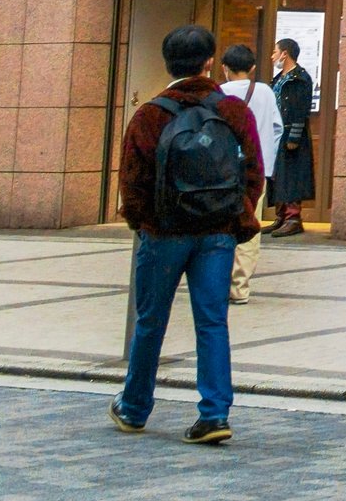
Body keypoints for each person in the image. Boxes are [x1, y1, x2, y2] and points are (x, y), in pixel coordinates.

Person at [110, 24, 264, 445]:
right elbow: (253, 173)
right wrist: (235, 215)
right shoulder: (233, 111)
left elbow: (133, 181)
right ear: (210, 62)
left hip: (164, 233)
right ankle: (214, 415)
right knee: (212, 321)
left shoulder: (150, 114)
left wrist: (144, 223)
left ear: (167, 63)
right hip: (217, 233)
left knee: (150, 321)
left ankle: (134, 408)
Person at [217, 44, 281, 306]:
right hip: (257, 170)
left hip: (223, 170)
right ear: (253, 68)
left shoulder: (219, 93)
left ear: (224, 68)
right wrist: (269, 161)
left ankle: (217, 283)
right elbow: (278, 128)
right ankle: (240, 286)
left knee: (221, 224)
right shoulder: (265, 92)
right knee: (250, 225)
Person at [266, 38, 315, 237]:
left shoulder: (300, 78)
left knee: (292, 175)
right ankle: (281, 215)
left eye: (275, 51)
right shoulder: (278, 79)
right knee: (278, 174)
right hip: (277, 133)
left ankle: (293, 218)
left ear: (285, 53)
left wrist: (294, 137)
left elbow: (301, 110)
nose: (272, 56)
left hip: (291, 134)